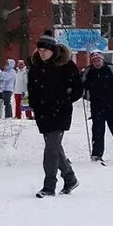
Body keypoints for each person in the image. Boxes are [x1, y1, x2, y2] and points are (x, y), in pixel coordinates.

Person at [27, 31, 83, 198]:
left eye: (45, 50)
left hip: (60, 113)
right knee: (55, 148)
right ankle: (70, 178)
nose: (42, 53)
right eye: (40, 50)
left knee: (50, 149)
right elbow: (32, 88)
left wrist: (64, 100)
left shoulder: (66, 65)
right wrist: (34, 104)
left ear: (53, 50)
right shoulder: (36, 66)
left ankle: (49, 186)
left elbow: (78, 89)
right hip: (42, 113)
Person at [82, 50, 113, 162]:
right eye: (94, 60)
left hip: (111, 103)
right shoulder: (89, 71)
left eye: (98, 59)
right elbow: (82, 83)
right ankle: (97, 153)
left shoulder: (111, 68)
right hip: (96, 104)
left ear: (102, 59)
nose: (97, 62)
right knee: (98, 129)